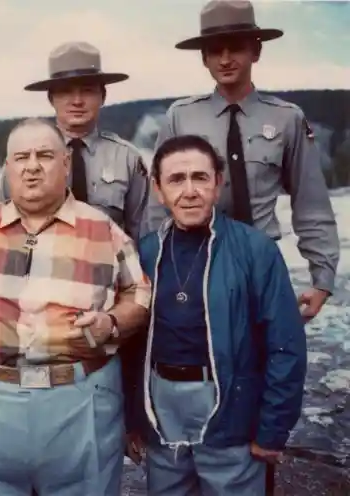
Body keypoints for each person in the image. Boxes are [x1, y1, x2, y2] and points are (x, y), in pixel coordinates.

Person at [0, 118, 152, 496]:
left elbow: (140, 295)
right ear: (8, 168)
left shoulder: (104, 230)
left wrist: (112, 323)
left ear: (65, 164)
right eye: (21, 157)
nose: (32, 165)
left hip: (79, 405)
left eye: (45, 155)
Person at [127, 134, 307, 495]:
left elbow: (285, 347)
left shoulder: (254, 251)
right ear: (158, 189)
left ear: (218, 184)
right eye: (177, 180)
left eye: (200, 177)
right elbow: (130, 347)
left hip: (230, 410)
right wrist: (133, 419)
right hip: (162, 411)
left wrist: (272, 430)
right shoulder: (144, 254)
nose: (190, 190)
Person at [144, 0, 339, 324]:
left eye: (235, 48)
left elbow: (311, 202)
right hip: (196, 261)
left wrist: (323, 278)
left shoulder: (287, 119)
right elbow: (158, 201)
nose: (225, 59)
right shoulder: (181, 116)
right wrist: (158, 265)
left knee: (268, 358)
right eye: (214, 50)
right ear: (204, 58)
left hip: (261, 263)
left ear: (256, 51)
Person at [0, 41, 149, 243]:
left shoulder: (127, 159)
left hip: (107, 267)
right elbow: (5, 228)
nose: (77, 101)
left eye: (87, 91)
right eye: (65, 92)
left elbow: (141, 235)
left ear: (103, 96)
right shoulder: (24, 158)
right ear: (51, 98)